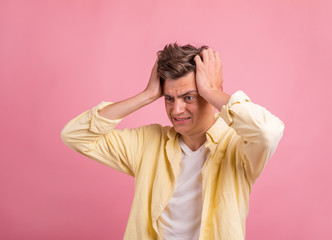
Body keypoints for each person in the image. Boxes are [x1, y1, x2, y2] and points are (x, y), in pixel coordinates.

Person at [61, 43, 284, 240]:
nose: (176, 110)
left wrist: (212, 91)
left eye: (189, 97)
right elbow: (75, 135)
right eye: (169, 98)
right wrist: (147, 95)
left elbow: (269, 131)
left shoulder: (238, 146)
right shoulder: (148, 142)